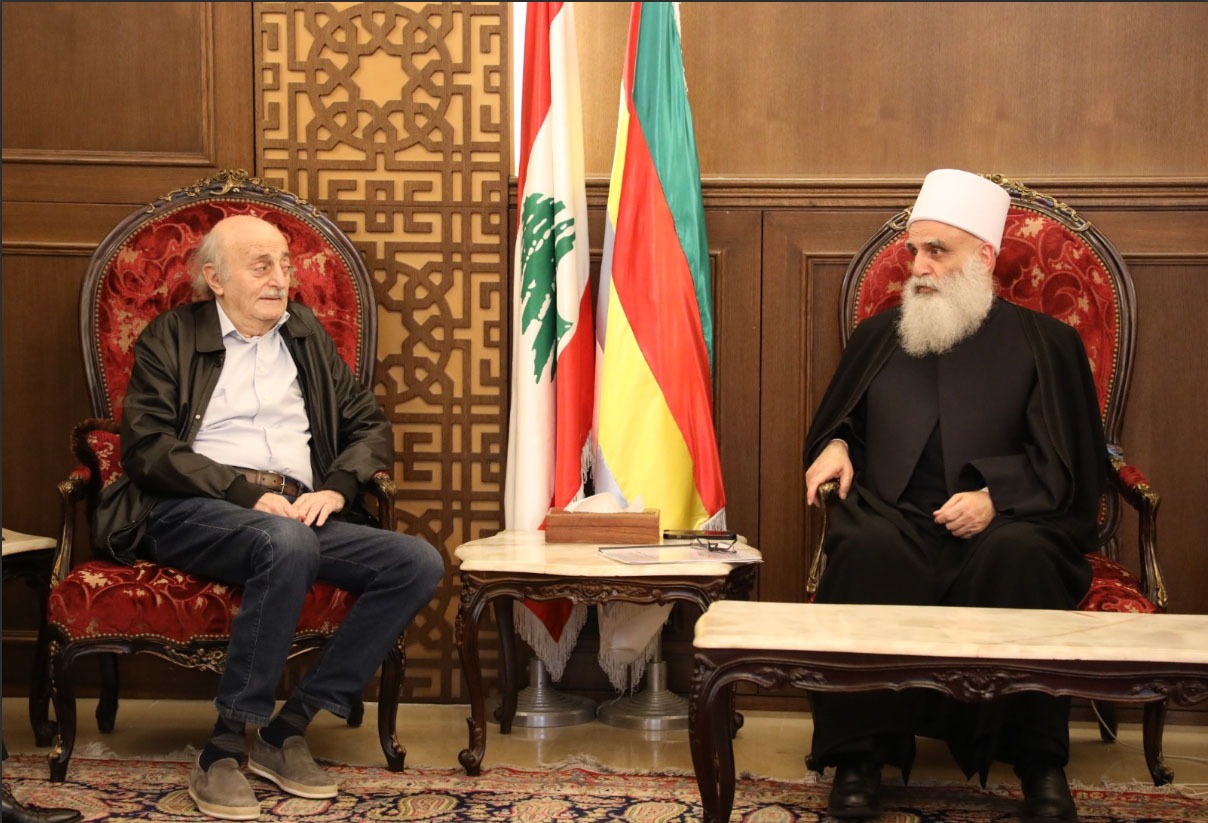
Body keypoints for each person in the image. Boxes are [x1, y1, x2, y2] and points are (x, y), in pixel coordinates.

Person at [92, 214, 445, 821]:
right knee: (287, 542)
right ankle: (224, 747)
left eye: (284, 264)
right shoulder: (171, 336)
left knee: (416, 562)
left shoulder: (303, 335)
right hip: (192, 508)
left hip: (295, 511)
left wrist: (336, 488)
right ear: (216, 278)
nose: (280, 278)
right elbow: (146, 447)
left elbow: (369, 424)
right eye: (261, 266)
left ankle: (287, 730)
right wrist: (239, 491)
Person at [802, 169, 1105, 823]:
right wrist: (838, 445)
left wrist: (998, 496)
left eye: (937, 251)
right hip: (896, 518)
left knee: (1025, 558)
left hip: (1006, 524)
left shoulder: (1046, 344)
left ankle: (1039, 764)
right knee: (865, 548)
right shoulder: (879, 337)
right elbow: (843, 422)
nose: (918, 266)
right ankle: (859, 759)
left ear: (985, 257)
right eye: (914, 250)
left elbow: (1068, 462)